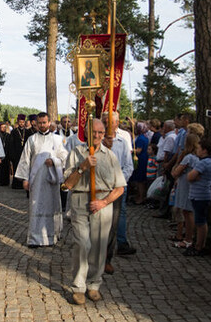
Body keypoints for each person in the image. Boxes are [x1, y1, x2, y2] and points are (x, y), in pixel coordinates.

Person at [62, 119, 126, 305]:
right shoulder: (76, 152)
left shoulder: (110, 156)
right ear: (86, 132)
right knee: (82, 243)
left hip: (102, 203)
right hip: (81, 200)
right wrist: (82, 167)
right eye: (94, 132)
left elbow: (120, 187)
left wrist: (103, 202)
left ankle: (94, 284)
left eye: (100, 132)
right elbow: (67, 184)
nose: (97, 136)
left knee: (99, 246)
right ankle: (78, 286)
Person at [14, 112, 69, 247]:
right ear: (36, 123)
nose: (42, 125)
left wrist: (54, 161)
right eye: (40, 123)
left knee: (52, 207)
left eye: (45, 122)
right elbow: (25, 160)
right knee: (35, 207)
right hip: (36, 181)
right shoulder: (31, 140)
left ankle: (52, 236)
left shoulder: (57, 139)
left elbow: (64, 157)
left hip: (51, 180)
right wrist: (25, 179)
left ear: (49, 123)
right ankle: (34, 238)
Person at [100, 112, 135, 274]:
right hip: (99, 187)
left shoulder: (122, 141)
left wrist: (119, 181)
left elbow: (129, 165)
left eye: (110, 122)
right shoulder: (96, 140)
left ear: (116, 123)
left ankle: (107, 258)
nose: (107, 125)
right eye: (104, 122)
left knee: (114, 223)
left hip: (117, 187)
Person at [184, 137, 211, 256]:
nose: (197, 150)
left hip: (201, 195)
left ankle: (199, 246)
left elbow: (190, 177)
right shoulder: (202, 161)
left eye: (199, 148)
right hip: (197, 194)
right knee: (200, 220)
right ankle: (199, 244)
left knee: (200, 222)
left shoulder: (204, 162)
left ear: (204, 150)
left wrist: (193, 176)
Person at [170, 134, 201, 249]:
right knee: (187, 212)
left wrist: (176, 166)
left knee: (188, 212)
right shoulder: (197, 158)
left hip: (186, 186)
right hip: (190, 186)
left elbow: (175, 172)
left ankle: (188, 238)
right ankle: (188, 237)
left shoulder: (189, 157)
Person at [8, 114, 33, 189]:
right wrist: (12, 155)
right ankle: (16, 185)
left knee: (24, 168)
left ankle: (23, 184)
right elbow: (11, 144)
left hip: (25, 153)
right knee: (16, 168)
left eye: (23, 122)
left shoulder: (28, 132)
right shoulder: (14, 132)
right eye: (20, 122)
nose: (21, 123)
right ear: (18, 122)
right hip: (16, 154)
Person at [0, 121, 11, 186]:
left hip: (6, 153)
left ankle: (6, 182)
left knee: (6, 168)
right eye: (2, 127)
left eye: (4, 127)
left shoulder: (8, 135)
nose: (3, 128)